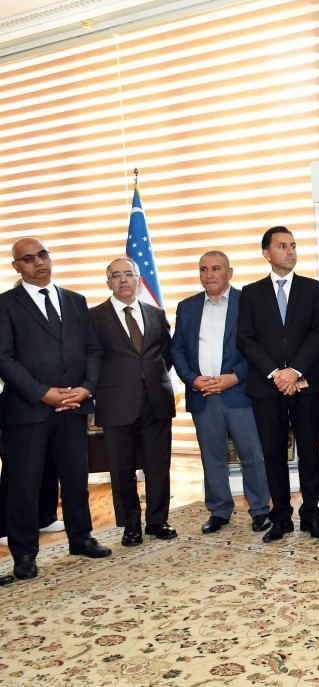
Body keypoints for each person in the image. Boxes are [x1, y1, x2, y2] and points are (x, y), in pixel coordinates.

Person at [0, 238, 112, 581]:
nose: (39, 263)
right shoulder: (5, 305)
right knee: (24, 484)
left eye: (43, 255)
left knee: (76, 478)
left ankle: (81, 538)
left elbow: (93, 350)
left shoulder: (75, 300)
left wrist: (86, 388)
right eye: (29, 259)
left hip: (73, 406)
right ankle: (24, 554)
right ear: (17, 267)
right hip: (27, 410)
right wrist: (43, 393)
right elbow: (4, 358)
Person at [237, 226, 319, 542]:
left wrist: (294, 372)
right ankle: (280, 518)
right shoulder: (251, 293)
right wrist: (276, 373)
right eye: (282, 246)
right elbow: (245, 339)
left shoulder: (313, 288)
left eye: (293, 245)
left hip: (307, 383)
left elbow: (317, 334)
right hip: (267, 386)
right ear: (267, 253)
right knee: (273, 452)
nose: (290, 251)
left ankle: (311, 516)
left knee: (309, 450)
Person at [170, 251, 272, 535]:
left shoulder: (247, 302)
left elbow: (259, 347)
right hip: (203, 395)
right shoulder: (187, 307)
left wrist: (235, 377)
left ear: (230, 272)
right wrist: (192, 379)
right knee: (212, 457)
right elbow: (177, 349)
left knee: (252, 456)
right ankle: (219, 510)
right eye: (203, 269)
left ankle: (260, 510)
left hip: (240, 393)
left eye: (216, 268)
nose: (209, 275)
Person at [90, 257, 177, 547]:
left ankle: (157, 520)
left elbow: (166, 354)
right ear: (108, 283)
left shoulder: (155, 313)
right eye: (116, 275)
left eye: (129, 274)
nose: (123, 279)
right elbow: (91, 358)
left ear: (139, 280)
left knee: (158, 466)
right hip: (116, 403)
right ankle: (130, 526)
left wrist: (149, 378)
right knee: (122, 469)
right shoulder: (94, 317)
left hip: (156, 401)